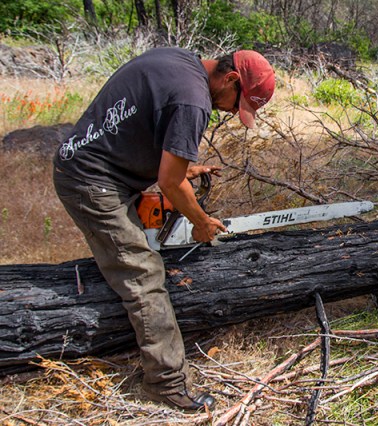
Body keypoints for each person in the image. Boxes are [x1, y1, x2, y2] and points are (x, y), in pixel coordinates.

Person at [52, 47, 275, 410]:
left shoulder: (177, 60)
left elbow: (144, 124)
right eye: (239, 104)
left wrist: (185, 170)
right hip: (91, 180)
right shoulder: (194, 101)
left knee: (140, 252)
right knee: (144, 274)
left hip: (96, 165)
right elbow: (169, 184)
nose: (234, 112)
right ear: (231, 79)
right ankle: (167, 382)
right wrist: (200, 221)